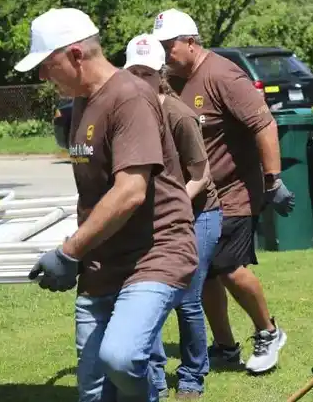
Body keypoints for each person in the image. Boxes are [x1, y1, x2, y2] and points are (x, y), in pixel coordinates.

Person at [15, 8, 199, 402]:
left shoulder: (130, 98)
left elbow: (130, 191)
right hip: (102, 259)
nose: (43, 77)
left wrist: (68, 252)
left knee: (120, 357)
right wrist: (82, 250)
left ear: (76, 55)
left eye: (48, 66)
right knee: (94, 390)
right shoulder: (83, 100)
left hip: (155, 252)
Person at [152, 8, 294, 374]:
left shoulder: (223, 75)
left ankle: (268, 331)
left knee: (229, 269)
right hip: (197, 194)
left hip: (234, 191)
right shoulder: (170, 79)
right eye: (160, 46)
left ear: (191, 42)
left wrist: (273, 179)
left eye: (170, 46)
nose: (165, 53)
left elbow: (264, 124)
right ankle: (225, 346)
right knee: (204, 273)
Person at [124, 34, 222, 399]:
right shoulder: (132, 111)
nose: (139, 81)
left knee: (186, 298)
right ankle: (155, 377)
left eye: (146, 73)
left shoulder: (178, 114)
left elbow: (201, 174)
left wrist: (175, 205)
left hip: (199, 214)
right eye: (133, 73)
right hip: (157, 219)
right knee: (149, 296)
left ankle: (193, 377)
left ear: (159, 73)